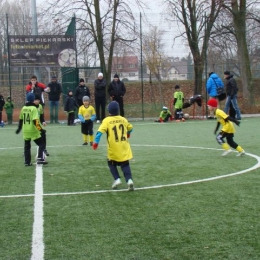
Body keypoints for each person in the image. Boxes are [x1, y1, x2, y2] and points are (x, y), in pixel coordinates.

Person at [92, 101, 134, 191]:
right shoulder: (123, 119)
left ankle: (117, 179)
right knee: (125, 164)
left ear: (109, 111)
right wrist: (128, 134)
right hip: (124, 146)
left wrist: (96, 142)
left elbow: (99, 132)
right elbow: (130, 128)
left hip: (113, 148)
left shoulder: (107, 120)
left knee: (111, 163)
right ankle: (129, 180)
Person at [15, 93, 48, 166]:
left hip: (25, 130)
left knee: (27, 146)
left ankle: (27, 162)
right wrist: (41, 130)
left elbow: (20, 119)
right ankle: (40, 159)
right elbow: (35, 121)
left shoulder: (23, 108)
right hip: (33, 130)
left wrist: (19, 128)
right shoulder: (34, 108)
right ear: (33, 100)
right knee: (41, 144)